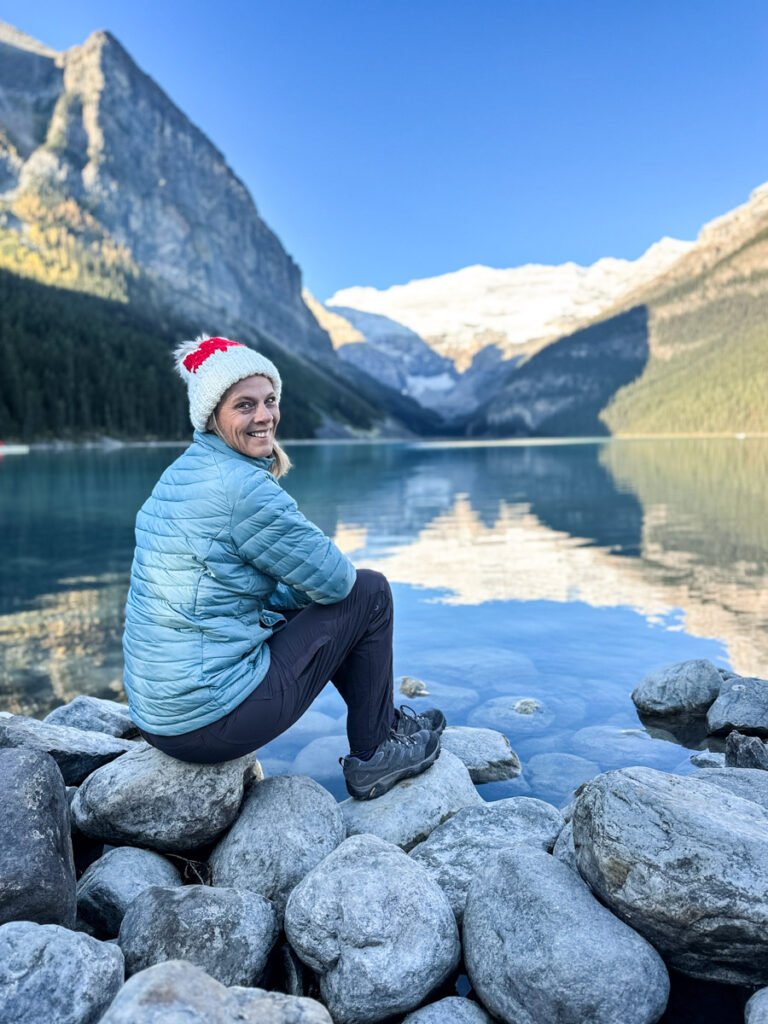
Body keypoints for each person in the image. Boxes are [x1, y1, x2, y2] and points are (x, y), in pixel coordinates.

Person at [122, 334, 445, 799]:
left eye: (270, 401)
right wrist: (306, 593)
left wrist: (296, 595)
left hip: (161, 716)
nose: (264, 416)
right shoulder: (242, 488)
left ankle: (386, 722)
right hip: (207, 723)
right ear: (212, 415)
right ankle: (375, 755)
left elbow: (240, 582)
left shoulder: (185, 472)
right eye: (244, 405)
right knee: (369, 593)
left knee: (310, 604)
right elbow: (337, 582)